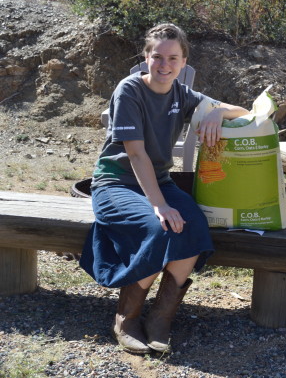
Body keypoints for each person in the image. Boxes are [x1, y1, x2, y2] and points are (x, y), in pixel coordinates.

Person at [79, 23, 248, 354]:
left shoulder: (182, 95)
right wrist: (159, 205)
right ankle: (126, 317)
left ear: (183, 62)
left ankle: (161, 317)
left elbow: (243, 112)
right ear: (146, 57)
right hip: (116, 182)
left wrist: (215, 111)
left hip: (159, 182)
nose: (164, 65)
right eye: (157, 57)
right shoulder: (129, 90)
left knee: (196, 227)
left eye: (172, 58)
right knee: (160, 229)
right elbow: (136, 153)